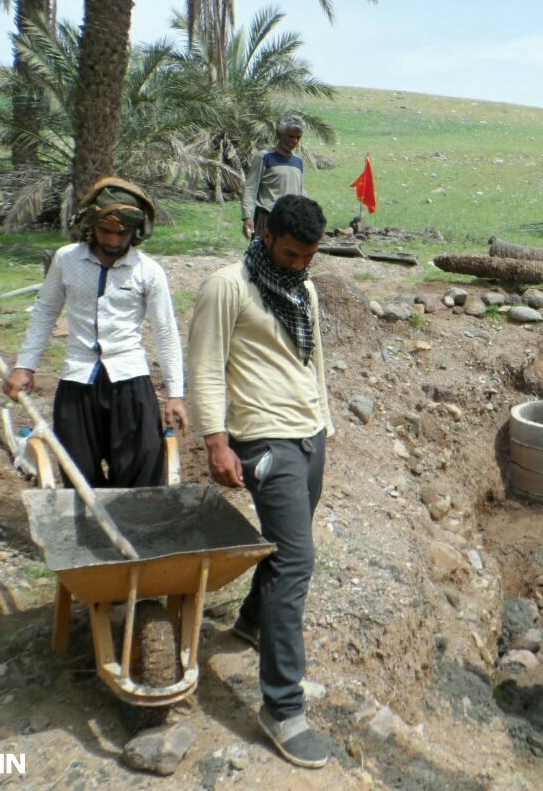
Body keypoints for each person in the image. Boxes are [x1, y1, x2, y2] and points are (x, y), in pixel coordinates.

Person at [187, 194, 335, 769]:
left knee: (285, 551)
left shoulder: (305, 288)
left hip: (307, 434)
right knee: (297, 561)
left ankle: (251, 622)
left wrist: (324, 423)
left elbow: (312, 359)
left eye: (309, 258)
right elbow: (204, 364)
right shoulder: (228, 286)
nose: (299, 265)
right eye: (292, 254)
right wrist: (216, 442)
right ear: (267, 234)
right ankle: (282, 706)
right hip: (263, 440)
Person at [3, 177, 186, 487]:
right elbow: (45, 311)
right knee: (78, 471)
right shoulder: (66, 260)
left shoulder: (148, 271)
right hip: (77, 381)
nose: (114, 241)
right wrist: (25, 365)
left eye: (122, 234)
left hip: (130, 383)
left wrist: (176, 395)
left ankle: (134, 532)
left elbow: (166, 332)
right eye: (106, 232)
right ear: (91, 225)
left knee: (140, 470)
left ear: (136, 232)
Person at [242, 114, 308, 240]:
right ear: (280, 134)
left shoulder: (298, 161)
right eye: (290, 136)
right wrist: (247, 217)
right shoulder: (265, 157)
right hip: (267, 219)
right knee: (263, 256)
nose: (294, 141)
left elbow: (301, 192)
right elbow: (250, 187)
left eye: (298, 137)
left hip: (291, 220)